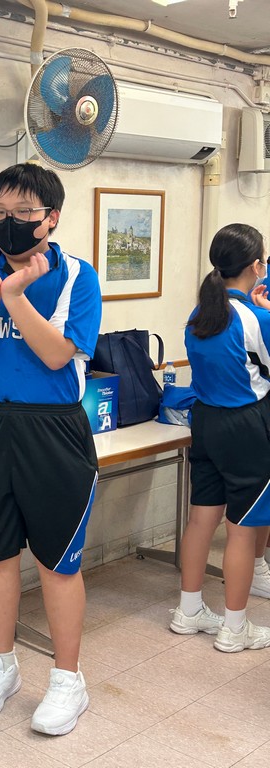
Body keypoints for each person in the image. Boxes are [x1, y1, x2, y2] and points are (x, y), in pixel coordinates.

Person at [0, 163, 101, 736]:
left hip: (53, 430)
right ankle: (1, 664)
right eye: (0, 212)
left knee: (58, 562)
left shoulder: (78, 276)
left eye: (23, 213)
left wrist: (14, 296)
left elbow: (58, 354)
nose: (8, 221)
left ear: (50, 218)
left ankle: (67, 679)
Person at [170, 222, 270, 652]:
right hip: (245, 427)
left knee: (201, 520)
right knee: (242, 530)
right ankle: (234, 628)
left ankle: (188, 610)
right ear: (256, 266)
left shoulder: (200, 316)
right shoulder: (257, 319)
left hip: (206, 422)